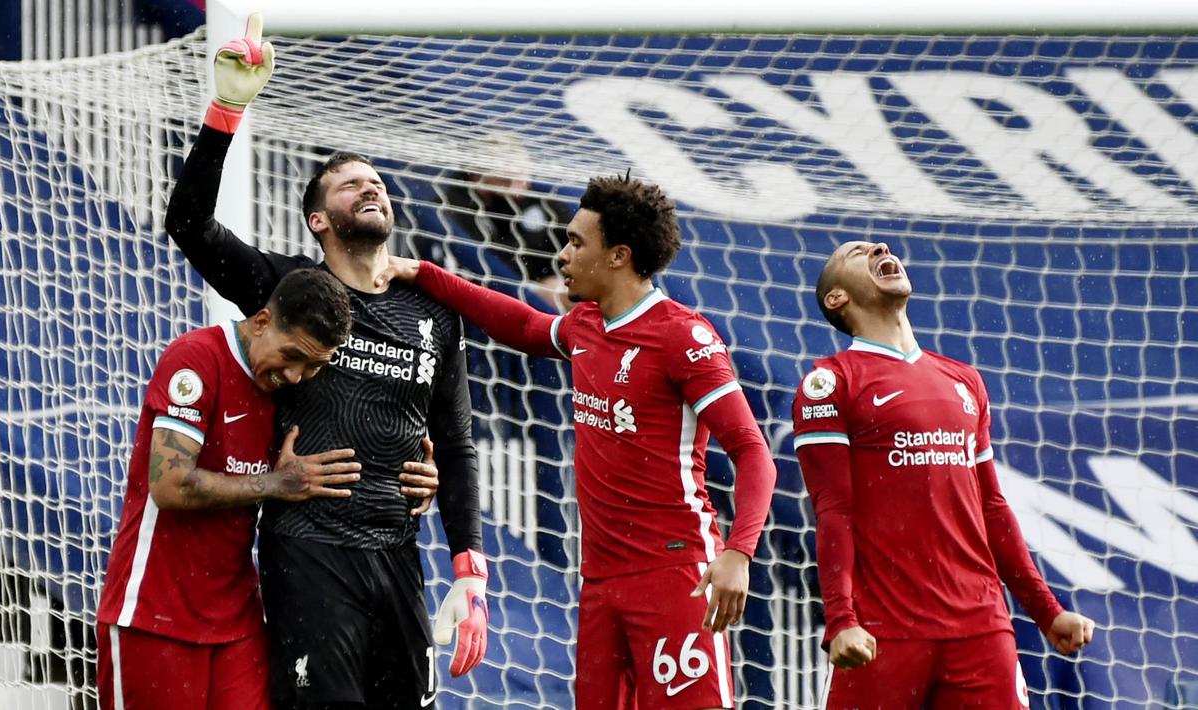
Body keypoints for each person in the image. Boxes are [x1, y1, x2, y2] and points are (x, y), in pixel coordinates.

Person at [163, 15, 486, 709]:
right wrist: (226, 111)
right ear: (318, 220)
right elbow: (189, 224)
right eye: (348, 185)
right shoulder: (292, 293)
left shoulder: (434, 313)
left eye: (375, 181)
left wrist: (469, 567)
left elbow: (455, 445)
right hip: (310, 553)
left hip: (400, 554)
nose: (369, 188)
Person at [379, 173, 776, 709]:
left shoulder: (684, 336)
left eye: (576, 243)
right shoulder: (586, 325)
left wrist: (739, 552)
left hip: (675, 572)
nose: (563, 255)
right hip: (599, 579)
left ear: (618, 256)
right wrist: (424, 273)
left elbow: (754, 452)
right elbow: (520, 324)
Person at [792, 240, 1097, 708]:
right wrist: (841, 620)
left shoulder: (964, 380)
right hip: (883, 632)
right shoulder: (831, 383)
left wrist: (1046, 611)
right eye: (857, 253)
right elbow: (833, 508)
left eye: (879, 246)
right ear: (838, 299)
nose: (880, 246)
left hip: (980, 627)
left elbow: (992, 507)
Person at [96, 268, 364, 709]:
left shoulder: (286, 388)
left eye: (314, 366)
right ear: (261, 321)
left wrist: (422, 470)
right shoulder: (196, 360)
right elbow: (170, 485)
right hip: (153, 616)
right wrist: (274, 484)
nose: (297, 375)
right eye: (293, 355)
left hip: (237, 623)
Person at [431, 133, 570, 309]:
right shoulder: (453, 210)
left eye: (524, 177)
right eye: (506, 180)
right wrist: (535, 290)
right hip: (498, 294)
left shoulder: (537, 198)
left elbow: (571, 234)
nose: (520, 187)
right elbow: (485, 267)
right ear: (477, 177)